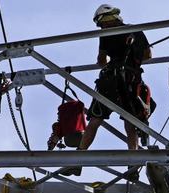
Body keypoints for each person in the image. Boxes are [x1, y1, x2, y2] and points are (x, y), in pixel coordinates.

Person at [63, 4, 153, 177]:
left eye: (101, 24)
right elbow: (148, 55)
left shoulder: (106, 34)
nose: (101, 28)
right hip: (132, 81)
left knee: (96, 118)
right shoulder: (136, 31)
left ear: (105, 20)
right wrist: (133, 62)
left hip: (111, 81)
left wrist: (108, 63)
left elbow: (101, 59)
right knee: (130, 122)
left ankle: (79, 159)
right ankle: (132, 164)